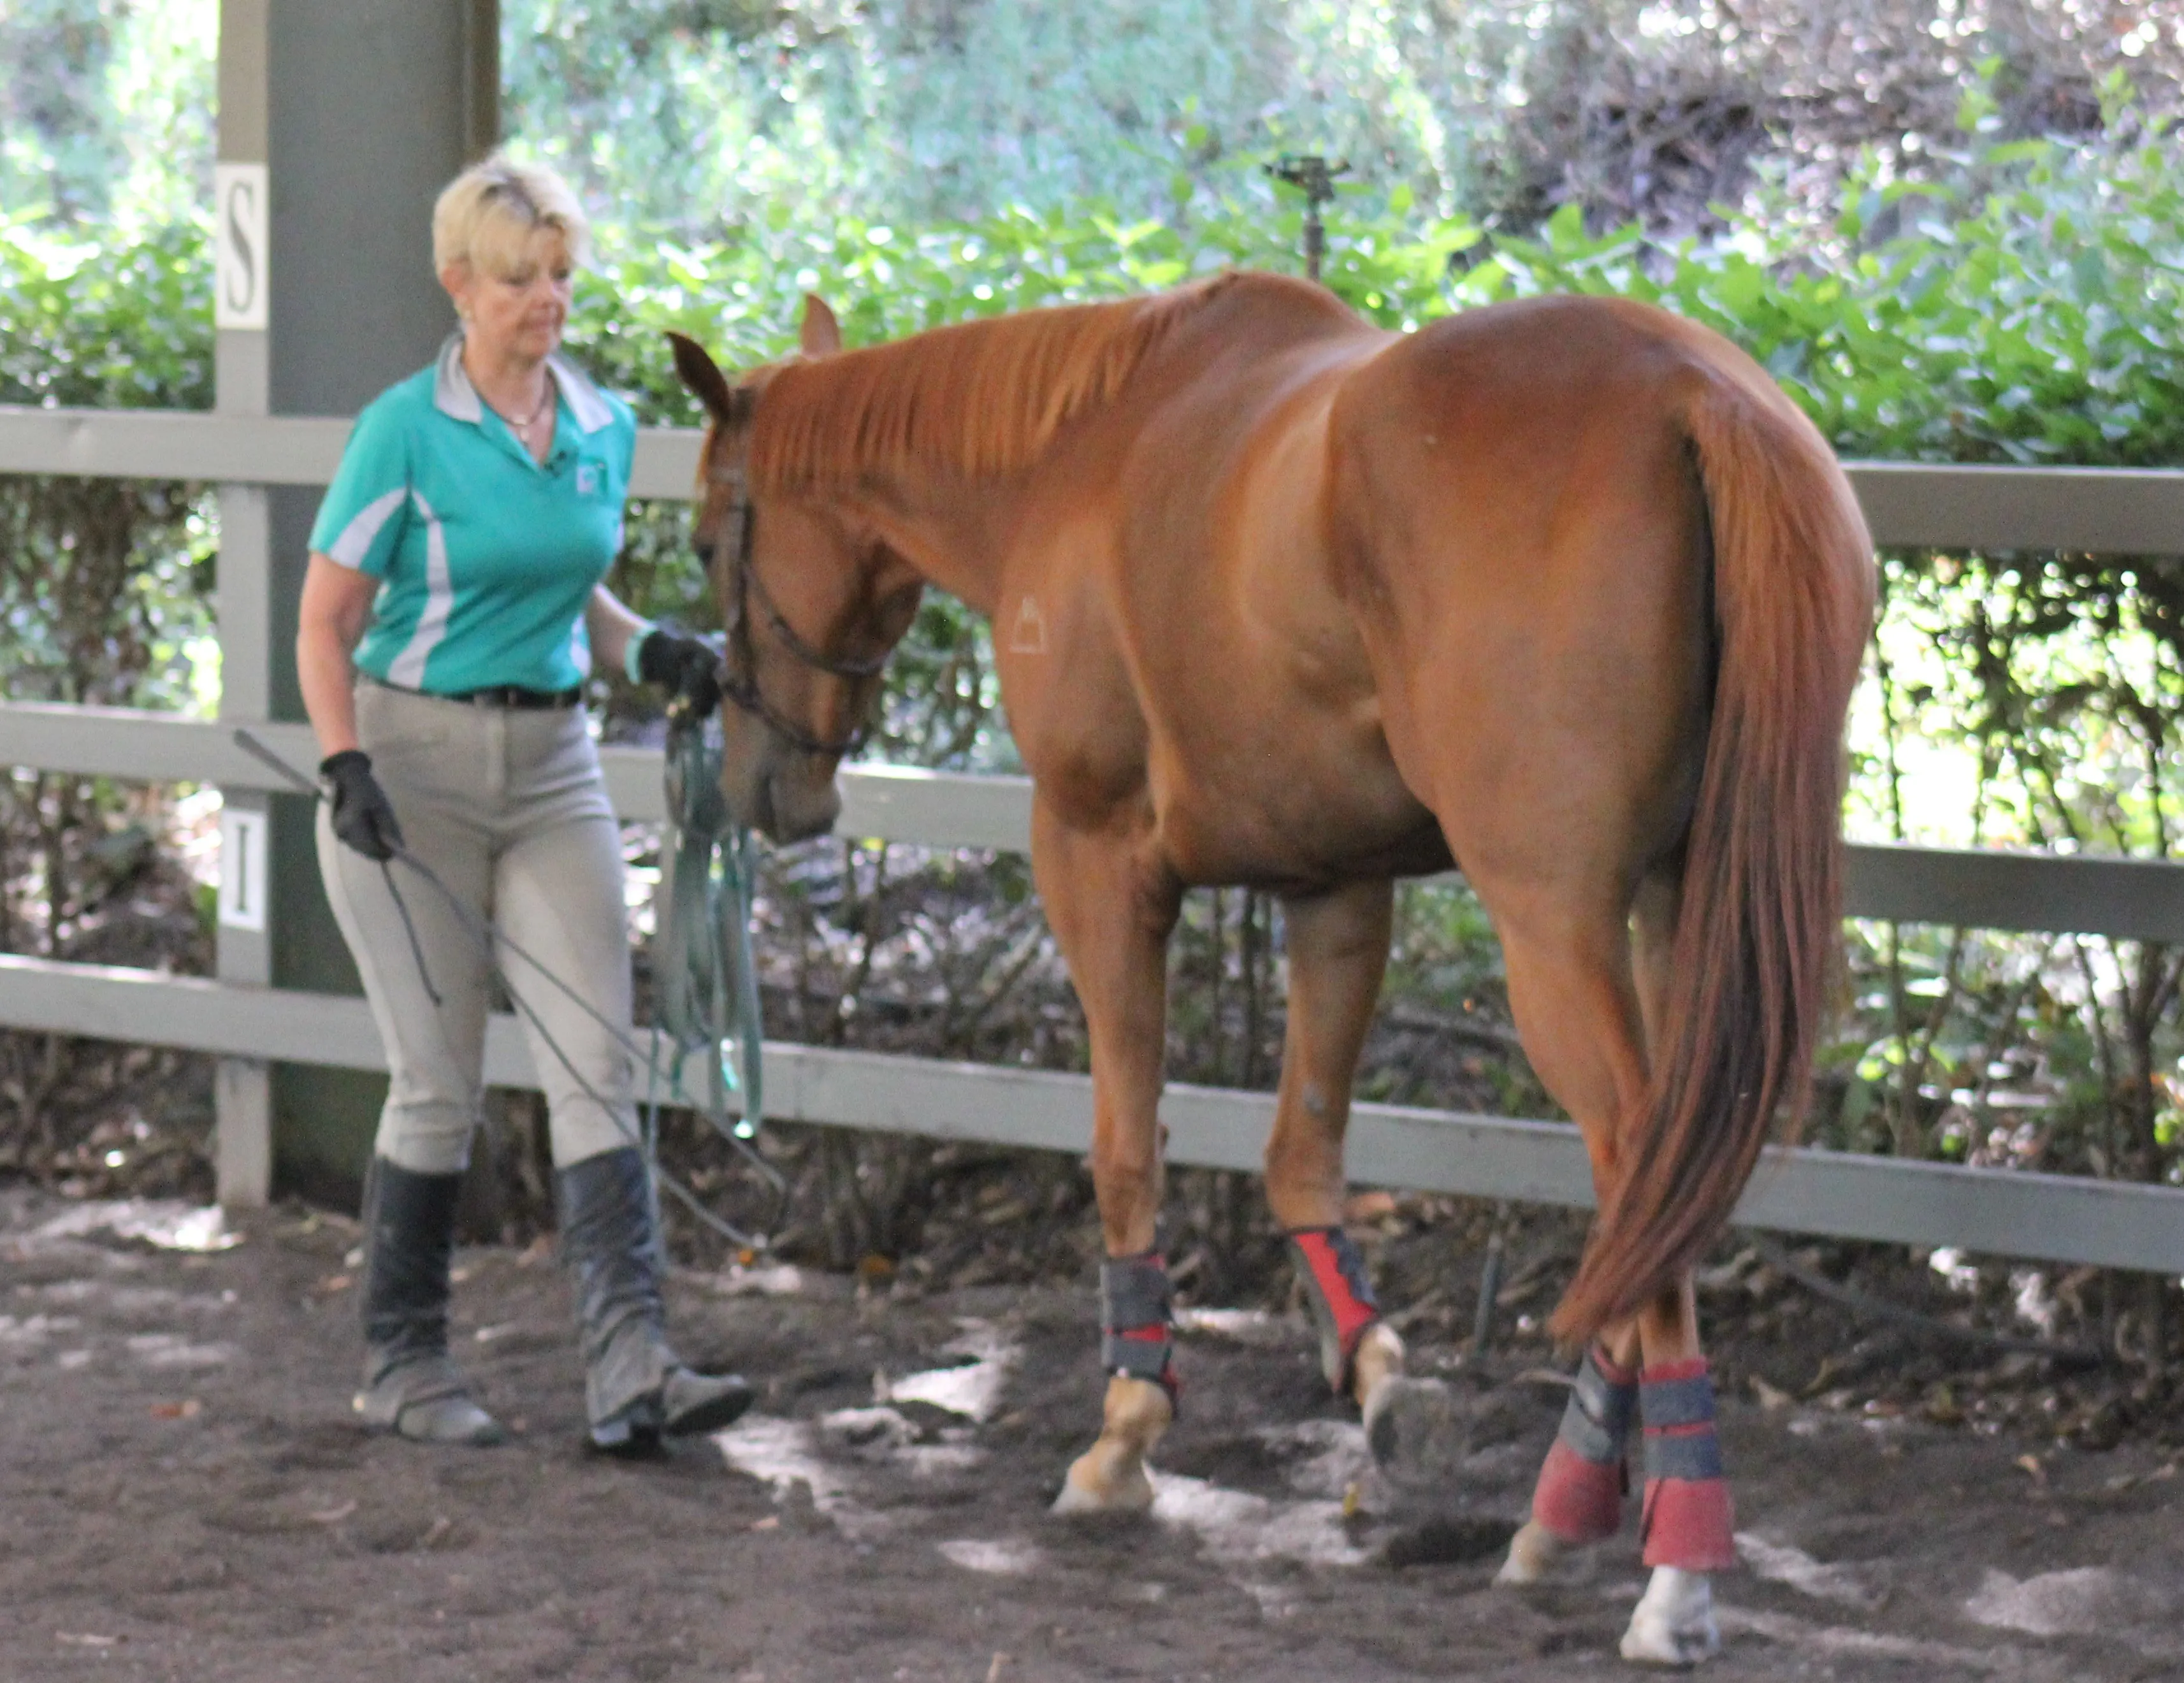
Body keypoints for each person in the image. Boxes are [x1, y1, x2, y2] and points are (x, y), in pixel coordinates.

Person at [296, 153, 741, 1452]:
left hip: (554, 772)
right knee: (438, 1083)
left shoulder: (597, 426)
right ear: (457, 286)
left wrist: (648, 648)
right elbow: (326, 619)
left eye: (559, 274)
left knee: (597, 1062)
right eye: (518, 279)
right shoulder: (406, 431)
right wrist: (344, 764)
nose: (548, 299)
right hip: (411, 767)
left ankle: (631, 1364)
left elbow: (567, 598)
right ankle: (406, 1361)